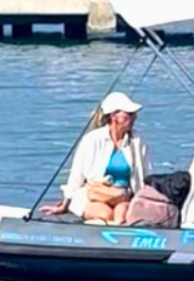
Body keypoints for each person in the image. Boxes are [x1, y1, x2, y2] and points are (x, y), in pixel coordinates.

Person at [40, 91, 152, 223]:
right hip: (94, 195)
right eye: (129, 114)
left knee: (121, 216)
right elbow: (77, 174)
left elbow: (146, 173)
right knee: (106, 215)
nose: (134, 118)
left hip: (124, 196)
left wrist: (147, 200)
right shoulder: (92, 139)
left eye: (134, 115)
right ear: (113, 115)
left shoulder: (137, 140)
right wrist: (65, 204)